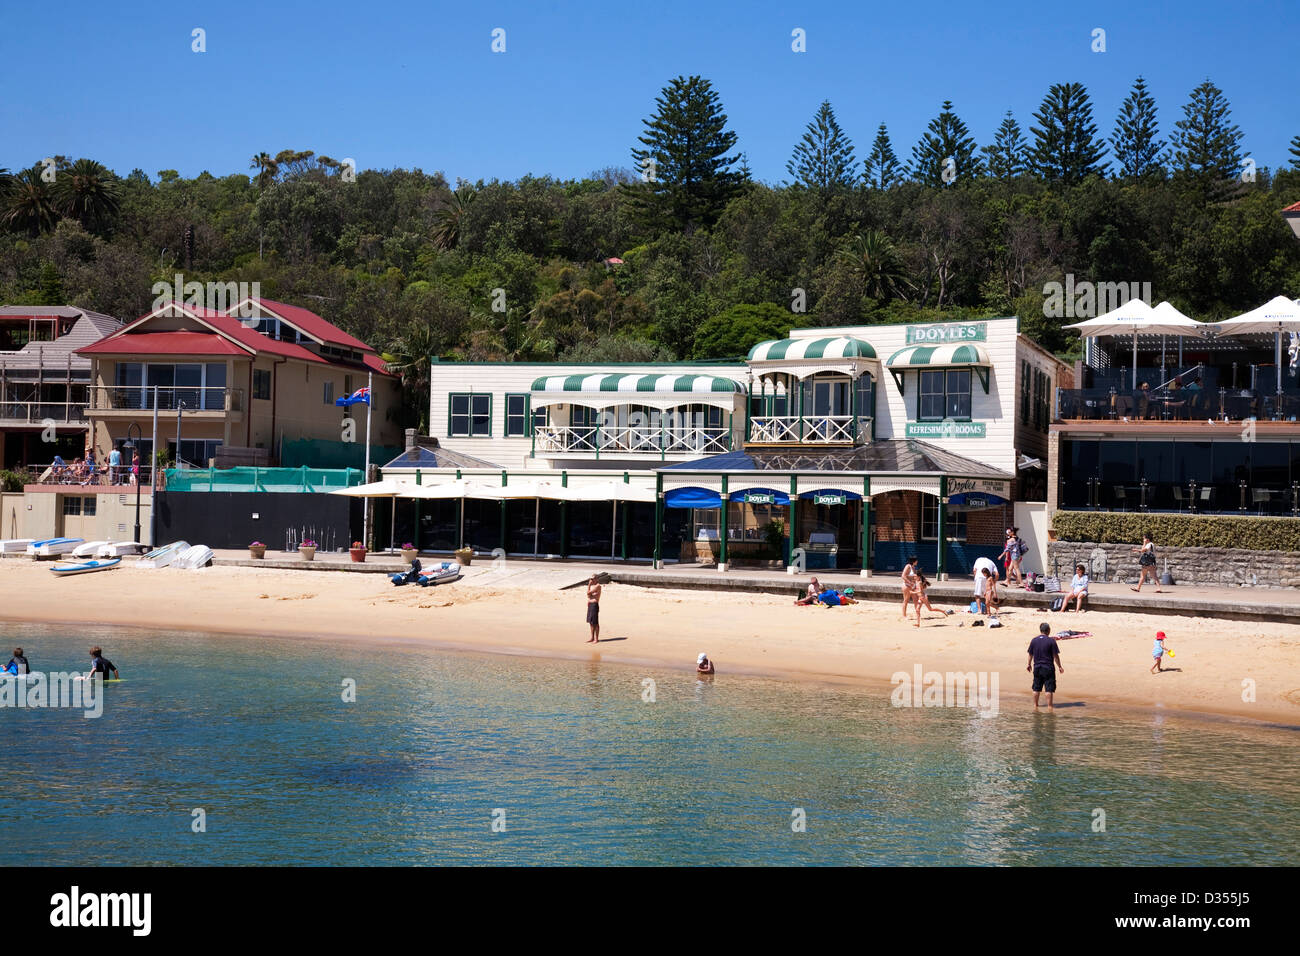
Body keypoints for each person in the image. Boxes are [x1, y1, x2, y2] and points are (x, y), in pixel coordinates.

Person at [1027, 622, 1064, 711]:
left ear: (1041, 630)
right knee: (1049, 688)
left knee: (1036, 688)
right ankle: (1050, 707)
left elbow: (1030, 654)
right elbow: (1055, 656)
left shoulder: (1034, 640)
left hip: (1037, 667)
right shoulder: (1051, 641)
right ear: (1048, 630)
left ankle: (1035, 706)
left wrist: (1028, 664)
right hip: (1048, 668)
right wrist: (1059, 666)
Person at [585, 575, 602, 644]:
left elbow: (588, 593)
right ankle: (592, 637)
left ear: (596, 579)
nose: (591, 580)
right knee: (591, 622)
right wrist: (590, 594)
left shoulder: (598, 586)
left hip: (594, 605)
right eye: (590, 579)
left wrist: (588, 585)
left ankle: (596, 639)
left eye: (592, 579)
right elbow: (588, 595)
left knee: (595, 622)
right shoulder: (592, 586)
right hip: (590, 605)